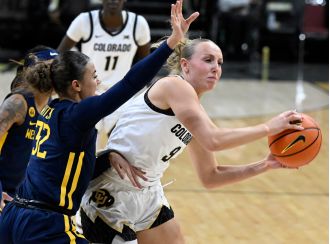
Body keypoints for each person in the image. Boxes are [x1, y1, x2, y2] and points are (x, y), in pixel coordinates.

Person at [0, 1, 199, 243]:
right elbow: (129, 83)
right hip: (45, 225)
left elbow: (64, 168)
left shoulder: (50, 110)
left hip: (14, 216)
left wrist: (106, 156)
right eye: (93, 76)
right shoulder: (78, 114)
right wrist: (170, 43)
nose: (99, 80)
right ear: (76, 86)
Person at [78, 37, 304, 243]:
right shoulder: (174, 85)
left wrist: (265, 164)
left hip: (148, 195)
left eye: (220, 62)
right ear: (185, 65)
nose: (216, 67)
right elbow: (213, 140)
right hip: (110, 193)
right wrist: (268, 127)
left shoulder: (195, 114)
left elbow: (211, 177)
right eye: (208, 60)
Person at [57, 0, 152, 149]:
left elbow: (146, 65)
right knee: (83, 152)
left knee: (124, 151)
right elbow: (60, 56)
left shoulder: (138, 24)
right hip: (88, 93)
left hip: (119, 94)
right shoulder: (84, 21)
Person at [0, 46, 59, 211]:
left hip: (25, 198)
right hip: (4, 192)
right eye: (51, 69)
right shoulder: (18, 103)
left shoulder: (52, 106)